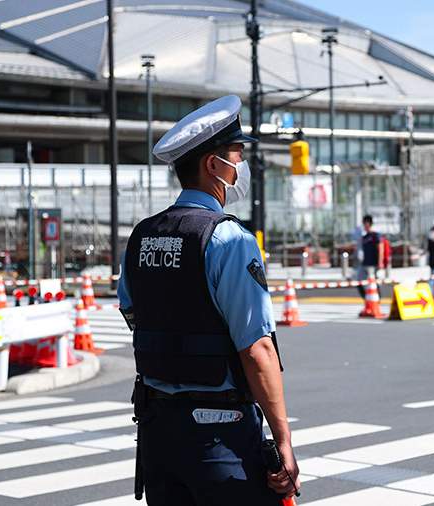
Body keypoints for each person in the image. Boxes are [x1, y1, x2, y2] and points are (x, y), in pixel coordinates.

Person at [117, 95, 299, 505]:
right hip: (220, 437)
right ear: (213, 165)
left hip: (158, 434)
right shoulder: (228, 238)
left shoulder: (142, 236)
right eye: (236, 153)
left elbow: (133, 312)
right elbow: (257, 349)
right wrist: (283, 440)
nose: (242, 163)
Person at [356, 215, 384, 297]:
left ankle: (377, 299)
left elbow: (381, 249)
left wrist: (380, 262)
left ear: (369, 224)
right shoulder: (364, 237)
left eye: (365, 223)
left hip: (373, 264)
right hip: (365, 263)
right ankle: (367, 299)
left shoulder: (375, 235)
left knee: (374, 283)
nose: (364, 226)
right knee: (359, 281)